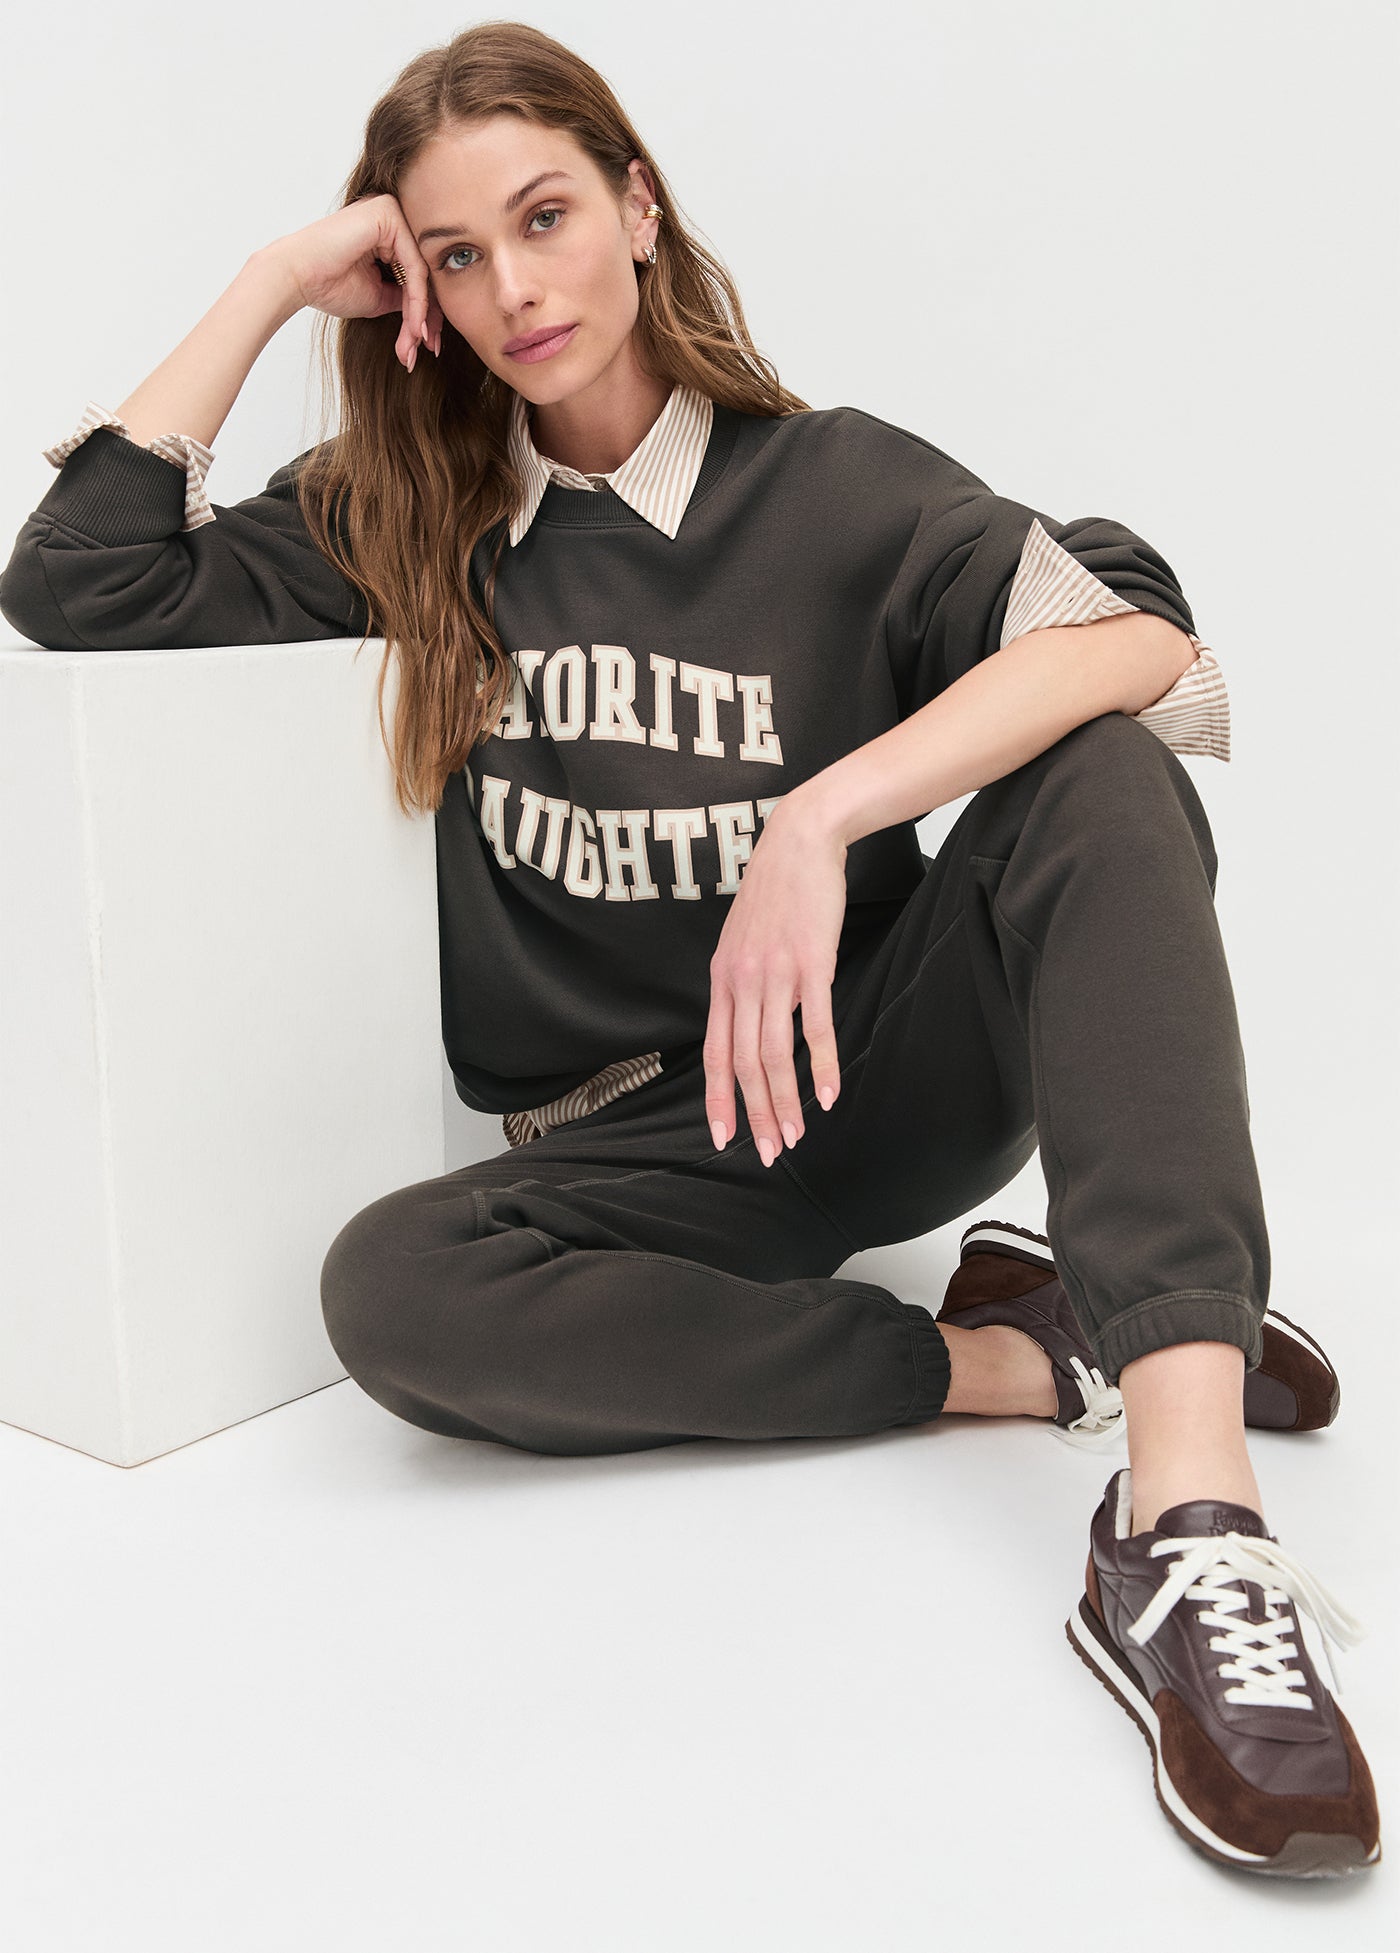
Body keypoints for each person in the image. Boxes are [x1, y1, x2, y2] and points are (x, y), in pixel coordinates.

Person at [0, 18, 1380, 1882]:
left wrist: (823, 819)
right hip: (636, 1160)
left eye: (545, 216)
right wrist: (270, 281)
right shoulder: (409, 524)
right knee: (388, 1289)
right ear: (416, 292)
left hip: (873, 1072)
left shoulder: (828, 489)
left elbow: (1137, 635)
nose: (514, 287)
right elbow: (79, 584)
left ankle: (1186, 1516)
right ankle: (1028, 1353)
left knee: (1106, 776)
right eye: (456, 254)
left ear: (638, 209)